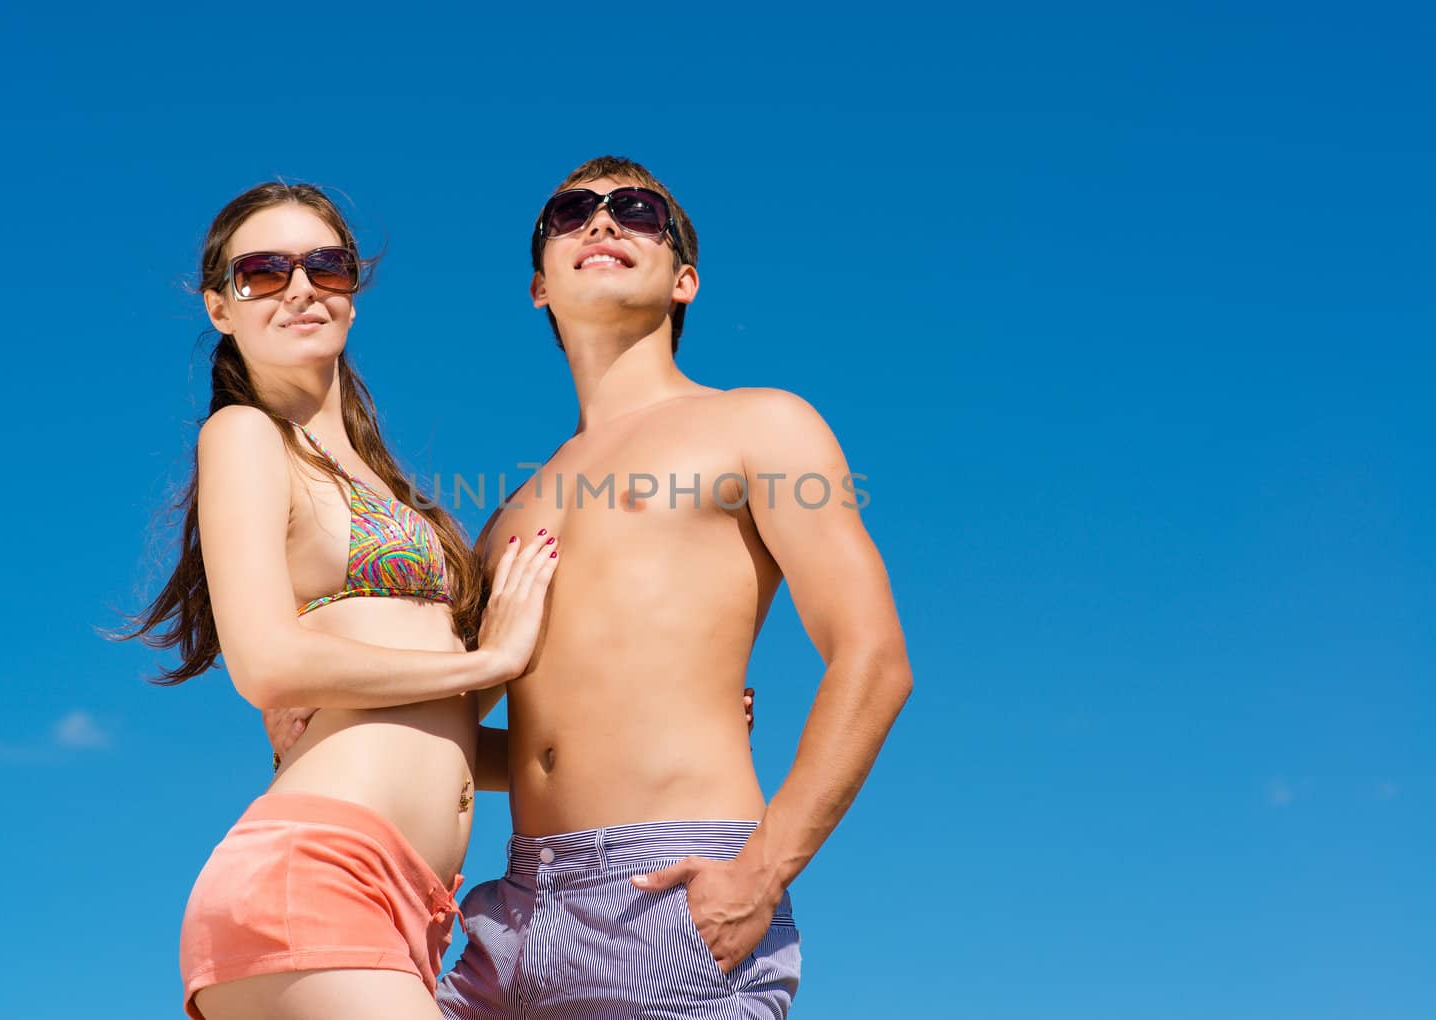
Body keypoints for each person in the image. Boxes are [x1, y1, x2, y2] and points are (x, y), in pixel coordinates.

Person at [272, 156, 914, 1018]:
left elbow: (872, 659)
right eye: (572, 213)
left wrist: (764, 868)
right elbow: (458, 732)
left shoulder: (759, 424)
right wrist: (327, 712)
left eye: (637, 211)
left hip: (673, 889)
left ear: (684, 280)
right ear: (539, 286)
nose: (603, 224)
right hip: (513, 908)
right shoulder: (505, 521)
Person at [122, 181, 561, 1020]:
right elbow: (269, 664)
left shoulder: (390, 488)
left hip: (411, 914)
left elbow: (446, 737)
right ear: (220, 306)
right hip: (318, 874)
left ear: (353, 296)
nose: (299, 288)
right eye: (263, 272)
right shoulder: (246, 435)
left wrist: (647, 721)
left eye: (326, 267)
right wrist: (490, 658)